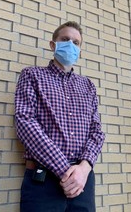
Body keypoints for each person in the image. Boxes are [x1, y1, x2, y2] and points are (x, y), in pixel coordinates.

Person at [15, 21, 105, 212]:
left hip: (82, 182)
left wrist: (84, 168)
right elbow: (25, 122)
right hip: (43, 181)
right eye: (65, 39)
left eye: (76, 42)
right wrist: (65, 170)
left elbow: (97, 132)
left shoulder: (87, 86)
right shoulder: (32, 75)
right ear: (53, 44)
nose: (71, 45)